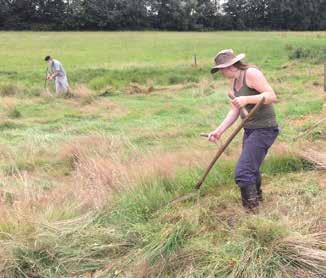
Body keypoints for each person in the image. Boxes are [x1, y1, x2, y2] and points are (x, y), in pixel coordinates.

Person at [208, 49, 279, 212]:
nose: (221, 73)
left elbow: (271, 95)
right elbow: (234, 110)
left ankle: (252, 212)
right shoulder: (233, 83)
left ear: (228, 67)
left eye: (220, 70)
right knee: (251, 168)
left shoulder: (251, 73)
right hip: (250, 130)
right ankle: (258, 201)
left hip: (265, 128)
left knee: (243, 172)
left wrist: (247, 99)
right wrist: (219, 131)